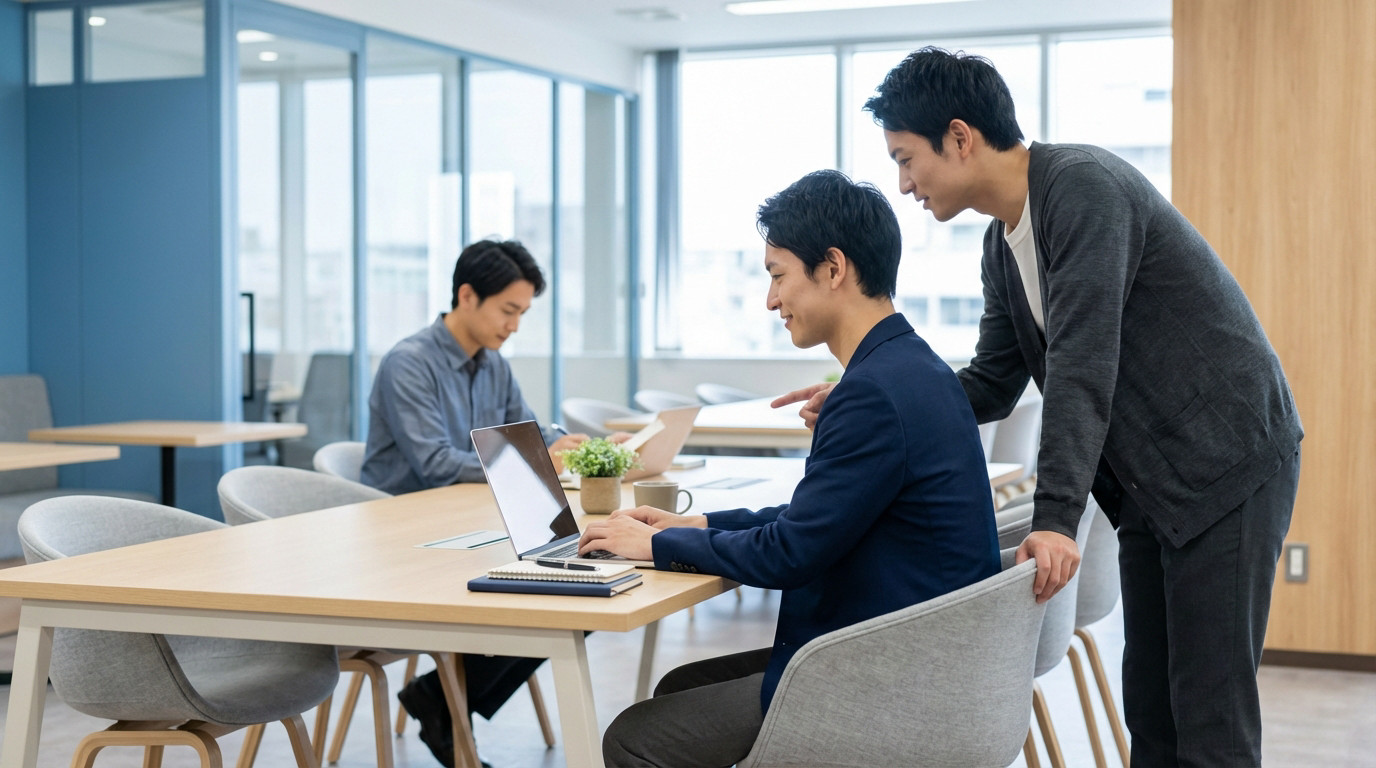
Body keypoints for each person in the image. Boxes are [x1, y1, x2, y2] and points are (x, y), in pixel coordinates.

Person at [777, 47, 1303, 767]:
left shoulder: (1082, 189)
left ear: (959, 138)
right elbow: (992, 383)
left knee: (1209, 718)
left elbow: (1085, 366)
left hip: (1227, 463)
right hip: (1155, 484)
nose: (903, 184)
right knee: (1151, 708)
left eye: (907, 159)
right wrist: (868, 396)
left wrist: (1055, 521)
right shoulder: (1002, 248)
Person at [579, 169, 1001, 768]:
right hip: (921, 657)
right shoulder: (916, 369)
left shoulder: (873, 392)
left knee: (632, 737)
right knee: (677, 691)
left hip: (883, 680)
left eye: (778, 276)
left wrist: (656, 546)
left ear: (832, 268)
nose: (771, 300)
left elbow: (791, 554)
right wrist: (697, 528)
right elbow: (820, 518)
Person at [360, 239, 590, 768]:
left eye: (523, 313)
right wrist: (533, 459)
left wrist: (554, 443)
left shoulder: (492, 363)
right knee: (553, 587)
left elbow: (524, 430)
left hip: (470, 525)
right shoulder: (409, 364)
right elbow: (436, 465)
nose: (514, 326)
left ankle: (441, 699)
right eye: (508, 310)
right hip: (405, 540)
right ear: (467, 295)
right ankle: (443, 700)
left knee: (579, 583)